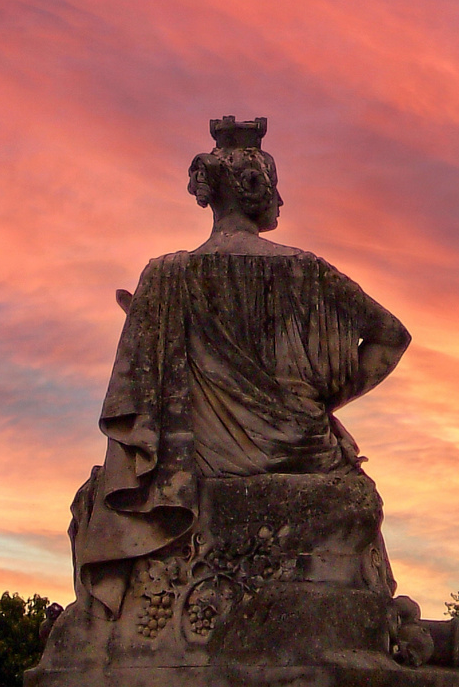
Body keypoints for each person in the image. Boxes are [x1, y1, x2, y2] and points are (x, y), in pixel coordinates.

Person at [68, 116, 411, 617]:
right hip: (302, 451)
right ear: (256, 191)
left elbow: (138, 398)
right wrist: (315, 403)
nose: (283, 201)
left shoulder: (166, 277)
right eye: (278, 188)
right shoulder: (305, 270)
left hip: (203, 461)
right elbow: (391, 337)